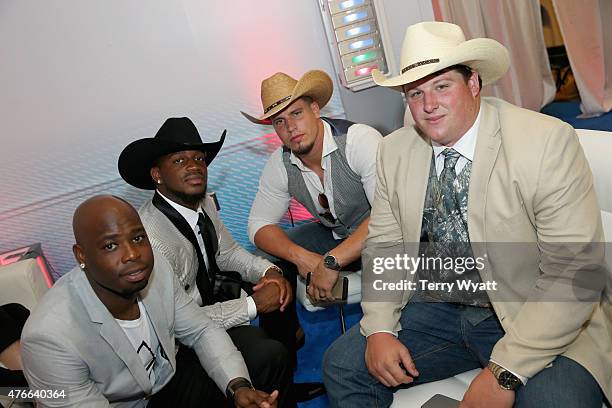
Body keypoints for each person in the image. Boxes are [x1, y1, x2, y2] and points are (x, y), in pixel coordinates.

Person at [322, 21, 610, 408]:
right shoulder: (394, 152)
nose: (428, 105)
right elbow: (386, 246)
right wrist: (378, 329)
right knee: (342, 365)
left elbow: (573, 270)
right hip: (439, 306)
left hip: (532, 310)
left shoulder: (544, 141)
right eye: (415, 92)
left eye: (442, 86)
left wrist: (503, 372)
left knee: (554, 400)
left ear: (473, 83)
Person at [118, 117, 321, 405]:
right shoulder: (150, 239)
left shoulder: (202, 202)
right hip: (184, 338)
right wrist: (253, 305)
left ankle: (283, 379)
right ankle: (275, 379)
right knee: (268, 353)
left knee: (280, 267)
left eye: (199, 158)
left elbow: (227, 252)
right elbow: (177, 323)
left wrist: (271, 272)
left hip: (216, 296)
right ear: (157, 174)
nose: (194, 166)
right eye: (179, 160)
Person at [21, 195, 278, 407]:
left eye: (137, 238)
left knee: (266, 356)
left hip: (168, 378)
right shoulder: (49, 338)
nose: (133, 254)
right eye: (110, 246)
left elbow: (201, 330)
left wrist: (238, 387)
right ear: (81, 256)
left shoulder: (157, 270)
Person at [243, 70, 382, 301]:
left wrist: (330, 262)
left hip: (384, 236)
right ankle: (286, 335)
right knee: (264, 259)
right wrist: (301, 257)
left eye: (296, 113)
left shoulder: (359, 140)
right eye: (280, 121)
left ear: (315, 109)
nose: (290, 127)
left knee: (391, 287)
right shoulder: (280, 162)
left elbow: (386, 215)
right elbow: (258, 225)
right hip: (336, 236)